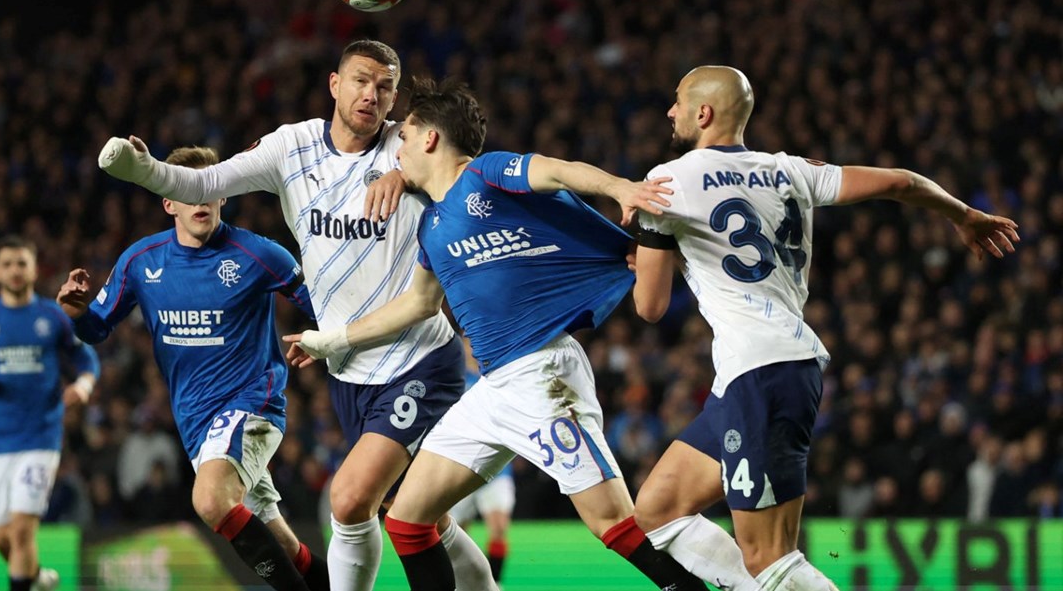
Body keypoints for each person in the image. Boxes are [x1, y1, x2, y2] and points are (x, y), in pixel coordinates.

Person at [96, 40, 496, 590]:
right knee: (415, 512)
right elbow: (206, 183)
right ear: (335, 84)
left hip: (418, 356)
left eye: (384, 87)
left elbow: (467, 168)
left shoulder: (409, 148)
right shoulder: (293, 146)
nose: (371, 95)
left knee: (352, 499)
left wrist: (407, 175)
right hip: (351, 370)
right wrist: (145, 170)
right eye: (360, 80)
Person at [286, 76, 709, 591]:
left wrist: (620, 187)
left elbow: (555, 171)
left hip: (543, 376)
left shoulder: (484, 174)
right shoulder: (433, 225)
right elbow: (418, 303)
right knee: (408, 518)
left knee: (612, 523)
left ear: (430, 139)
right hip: (492, 391)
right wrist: (333, 340)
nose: (396, 146)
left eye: (406, 134)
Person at [629, 65, 1020, 590]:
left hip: (760, 369)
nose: (670, 111)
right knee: (659, 508)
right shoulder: (790, 170)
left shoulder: (667, 181)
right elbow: (901, 182)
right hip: (771, 366)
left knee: (768, 555)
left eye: (677, 101)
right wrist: (962, 213)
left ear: (704, 113)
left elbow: (650, 307)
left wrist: (654, 253)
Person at [56, 146, 329, 591]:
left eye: (211, 188)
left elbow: (327, 307)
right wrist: (75, 312)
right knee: (283, 545)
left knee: (209, 499)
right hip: (196, 424)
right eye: (188, 190)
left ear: (225, 194)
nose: (200, 199)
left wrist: (329, 341)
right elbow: (97, 329)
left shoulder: (259, 254)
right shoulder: (142, 261)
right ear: (168, 200)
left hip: (252, 404)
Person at [0, 235, 101, 591]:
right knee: (0, 534)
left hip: (40, 436)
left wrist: (83, 386)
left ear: (34, 269)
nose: (15, 270)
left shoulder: (52, 317)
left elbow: (86, 358)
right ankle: (35, 577)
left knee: (20, 530)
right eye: (8, 264)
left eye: (22, 263)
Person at [447, 356, 515, 585]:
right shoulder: (453, 379)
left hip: (498, 469)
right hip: (462, 466)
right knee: (458, 533)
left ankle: (495, 583)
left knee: (498, 527)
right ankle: (463, 582)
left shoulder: (499, 375)